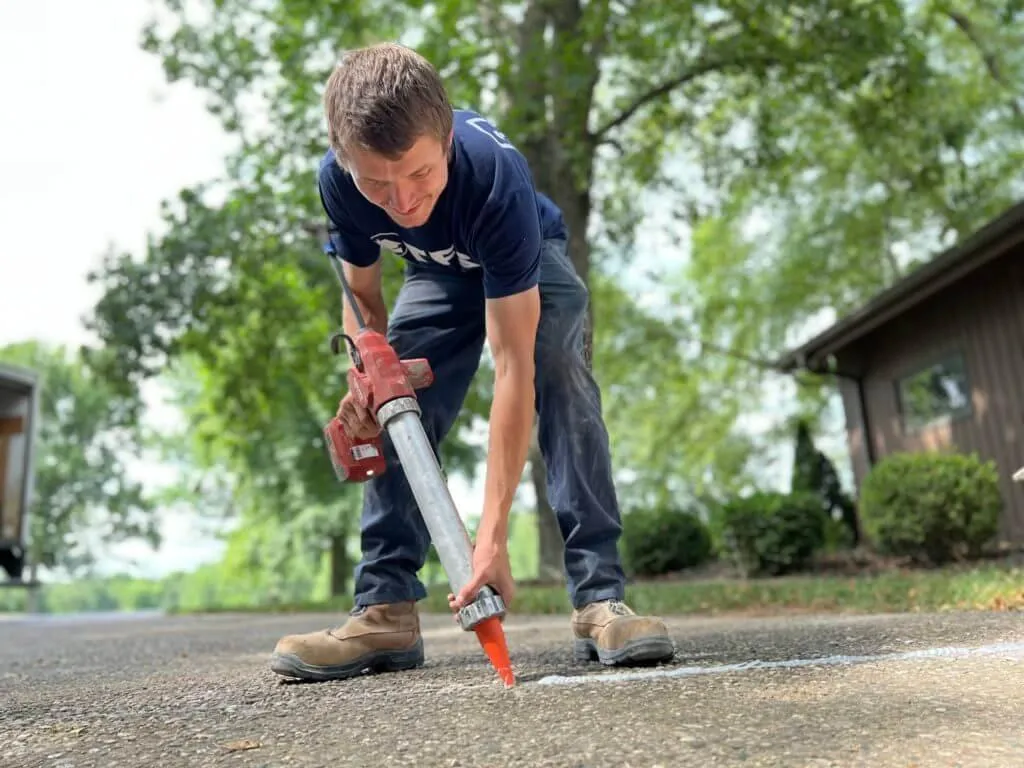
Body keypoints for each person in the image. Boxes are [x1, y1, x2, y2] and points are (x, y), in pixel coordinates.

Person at [270, 42, 674, 682]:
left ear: (448, 137)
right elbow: (364, 301)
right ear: (346, 162)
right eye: (378, 183)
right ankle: (385, 610)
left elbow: (512, 370)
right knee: (394, 394)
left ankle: (600, 598)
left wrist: (491, 539)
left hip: (524, 255)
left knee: (561, 373)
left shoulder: (493, 176)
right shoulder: (339, 185)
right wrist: (365, 373)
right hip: (434, 275)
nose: (402, 202)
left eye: (421, 174)